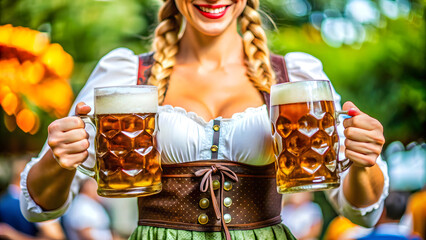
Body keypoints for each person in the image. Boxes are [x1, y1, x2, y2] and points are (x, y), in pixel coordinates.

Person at [20, 0, 389, 239]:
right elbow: (38, 207)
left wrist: (362, 162)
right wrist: (59, 158)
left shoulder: (296, 76)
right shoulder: (124, 75)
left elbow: (362, 214)